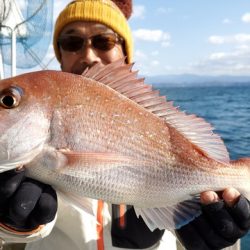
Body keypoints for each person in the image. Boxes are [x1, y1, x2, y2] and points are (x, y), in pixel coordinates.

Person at [0, 0, 250, 249]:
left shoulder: (160, 121)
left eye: (104, 41)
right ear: (60, 54)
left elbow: (207, 217)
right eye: (72, 43)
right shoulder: (10, 160)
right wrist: (11, 228)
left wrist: (222, 241)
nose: (88, 55)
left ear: (125, 51)